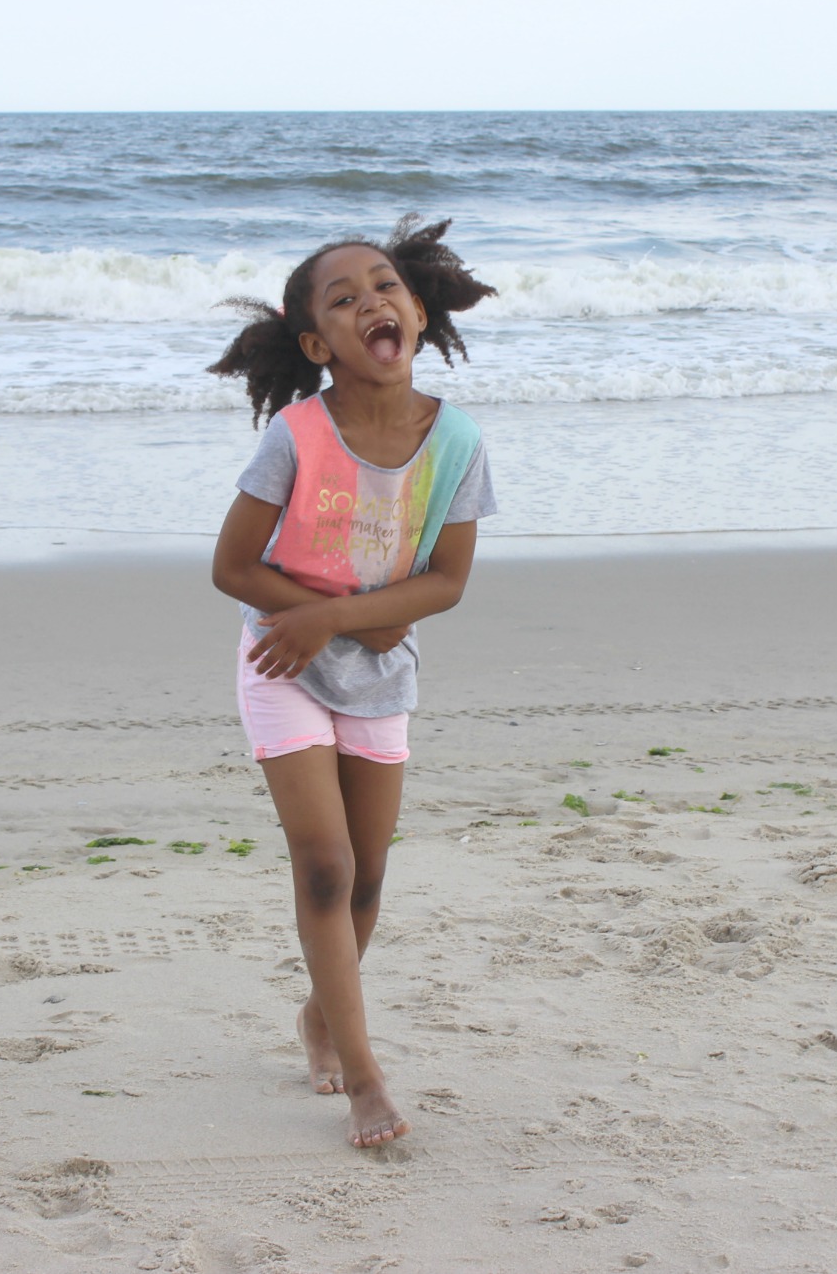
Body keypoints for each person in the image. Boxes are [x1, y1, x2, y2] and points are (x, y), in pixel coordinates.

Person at [209, 215, 498, 1148]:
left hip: (375, 663)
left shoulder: (456, 444)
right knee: (325, 866)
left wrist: (346, 617)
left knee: (370, 877)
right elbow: (232, 565)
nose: (371, 300)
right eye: (343, 299)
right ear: (316, 344)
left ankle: (318, 1016)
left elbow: (447, 581)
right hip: (281, 659)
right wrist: (321, 620)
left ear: (416, 312)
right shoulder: (297, 435)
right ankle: (366, 1076)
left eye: (384, 286)